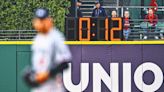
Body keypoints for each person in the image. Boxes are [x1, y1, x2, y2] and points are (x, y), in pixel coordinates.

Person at [24, 8, 72, 92]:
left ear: (49, 20)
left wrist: (47, 75)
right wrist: (32, 75)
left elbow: (65, 63)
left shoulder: (56, 37)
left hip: (53, 87)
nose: (41, 23)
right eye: (39, 20)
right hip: (39, 88)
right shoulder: (37, 39)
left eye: (43, 20)